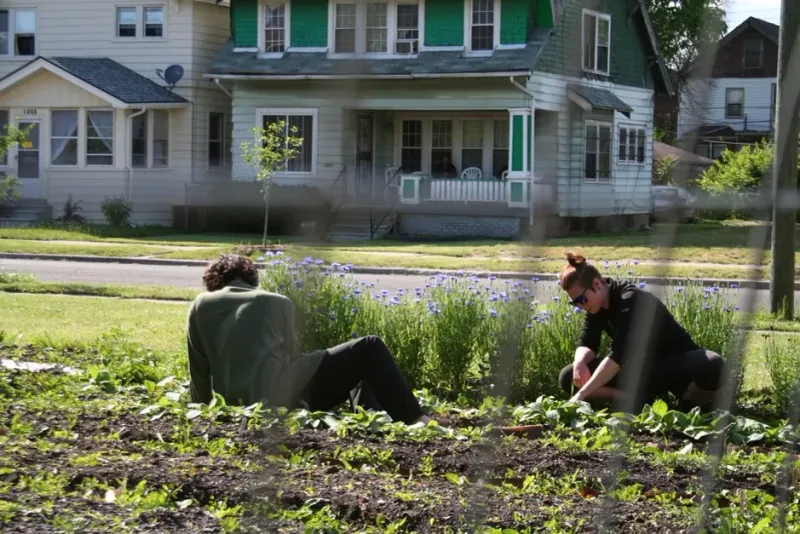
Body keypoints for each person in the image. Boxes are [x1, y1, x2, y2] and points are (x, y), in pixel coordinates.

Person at [185, 254, 430, 425]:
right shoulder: (277, 302)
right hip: (283, 398)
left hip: (236, 403)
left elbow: (198, 367)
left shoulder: (201, 305)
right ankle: (413, 418)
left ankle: (371, 416)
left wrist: (204, 412)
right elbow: (290, 355)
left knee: (354, 362)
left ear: (213, 282)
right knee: (367, 348)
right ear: (251, 279)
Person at [557, 252, 724, 413]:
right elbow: (588, 342)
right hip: (642, 371)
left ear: (597, 284)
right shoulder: (596, 308)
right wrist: (579, 363)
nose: (580, 306)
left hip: (674, 364)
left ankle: (694, 402)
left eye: (582, 300)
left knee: (713, 364)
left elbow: (618, 356)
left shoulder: (630, 299)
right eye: (575, 303)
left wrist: (581, 395)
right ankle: (631, 399)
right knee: (568, 376)